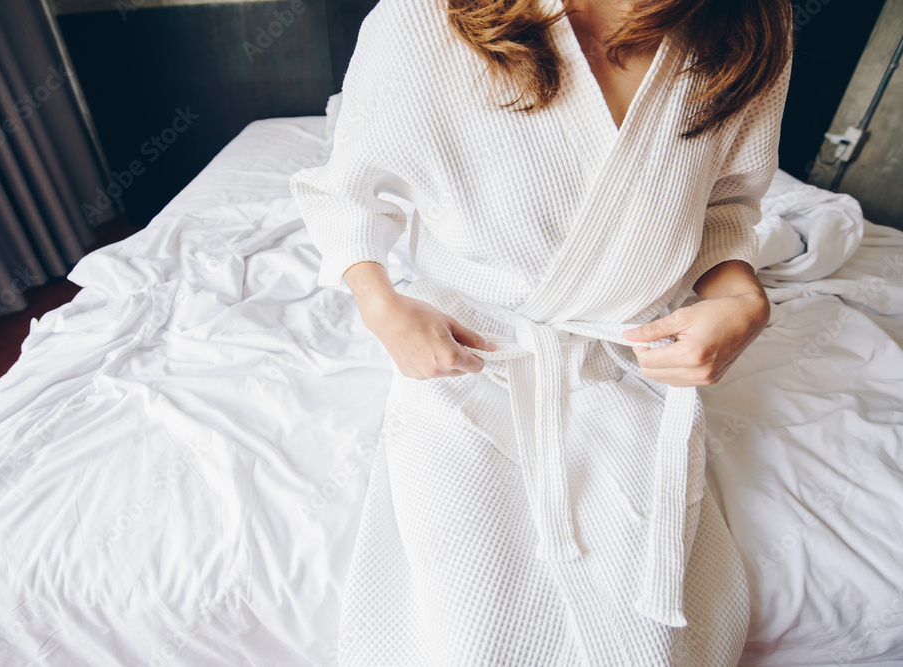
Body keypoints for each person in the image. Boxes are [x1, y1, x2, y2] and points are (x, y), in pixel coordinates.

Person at [290, 0, 793, 663]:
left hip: (629, 351)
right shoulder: (422, 17)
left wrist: (740, 298)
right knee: (472, 633)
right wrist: (382, 306)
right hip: (472, 351)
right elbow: (347, 193)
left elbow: (725, 201)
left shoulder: (752, 24)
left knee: (652, 636)